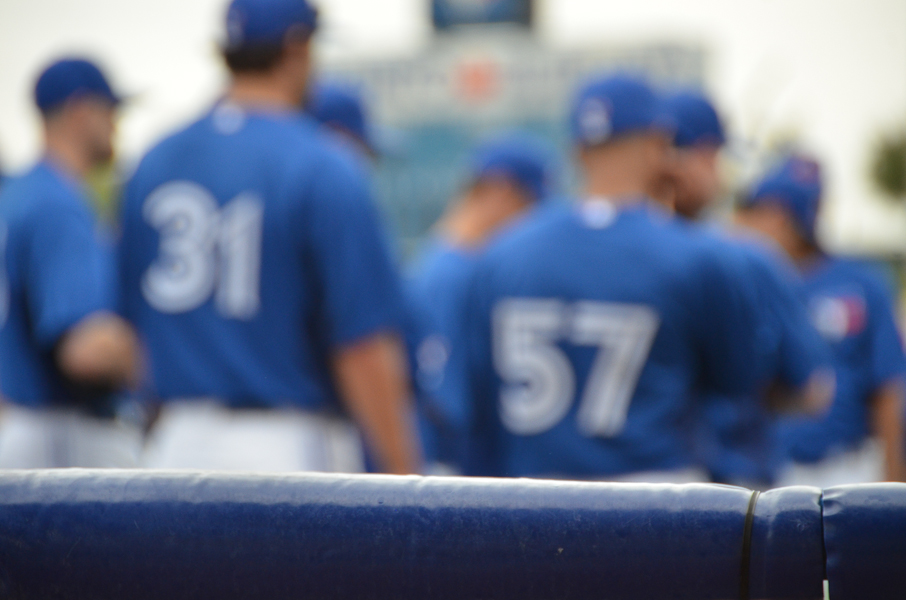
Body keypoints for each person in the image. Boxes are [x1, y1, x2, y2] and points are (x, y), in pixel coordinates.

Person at [464, 73, 826, 482]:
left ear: (576, 152)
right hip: (655, 506)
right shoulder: (699, 256)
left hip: (529, 504)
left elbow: (477, 408)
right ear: (659, 147)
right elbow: (748, 383)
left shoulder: (500, 254)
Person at [119, 0, 421, 474]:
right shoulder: (322, 163)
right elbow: (363, 346)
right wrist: (407, 481)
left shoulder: (155, 160)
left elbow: (131, 334)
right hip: (289, 444)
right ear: (295, 48)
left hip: (174, 443)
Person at [661, 91, 833, 488]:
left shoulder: (603, 257)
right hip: (734, 497)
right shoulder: (747, 259)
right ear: (701, 156)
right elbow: (812, 391)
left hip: (616, 493)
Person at [0, 58, 141, 468]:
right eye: (110, 111)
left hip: (24, 426)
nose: (116, 125)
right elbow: (85, 351)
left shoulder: (16, 196)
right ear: (81, 111)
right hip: (63, 434)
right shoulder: (58, 205)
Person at [738, 155, 906, 486]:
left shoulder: (862, 282)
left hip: (848, 468)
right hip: (766, 469)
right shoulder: (748, 281)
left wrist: (894, 479)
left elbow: (887, 386)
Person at [408, 131, 556, 472]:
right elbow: (445, 403)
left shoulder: (449, 263)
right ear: (500, 192)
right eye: (531, 206)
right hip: (447, 471)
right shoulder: (452, 274)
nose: (532, 226)